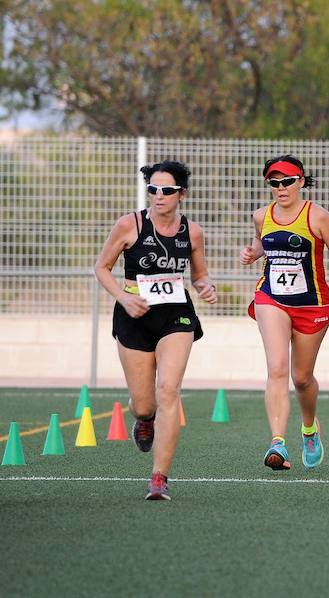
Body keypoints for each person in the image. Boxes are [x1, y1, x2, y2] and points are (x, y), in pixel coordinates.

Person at [94, 160, 217, 500]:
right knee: (146, 404)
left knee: (168, 390)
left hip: (175, 316)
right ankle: (144, 420)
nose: (158, 196)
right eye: (153, 189)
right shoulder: (128, 225)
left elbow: (199, 274)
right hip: (134, 315)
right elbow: (102, 268)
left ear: (182, 194)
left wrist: (206, 287)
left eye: (166, 190)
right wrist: (124, 298)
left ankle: (159, 478)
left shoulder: (192, 232)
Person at [240, 154, 329, 472]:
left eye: (288, 181)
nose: (281, 188)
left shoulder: (318, 217)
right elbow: (262, 243)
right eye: (275, 183)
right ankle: (277, 442)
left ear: (301, 181)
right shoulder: (261, 215)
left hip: (311, 304)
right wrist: (252, 252)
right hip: (271, 298)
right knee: (277, 368)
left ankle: (309, 429)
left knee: (301, 378)